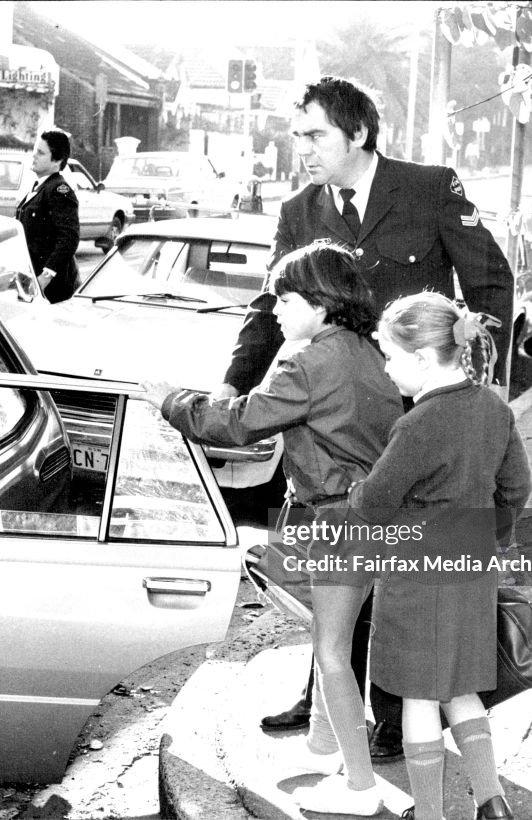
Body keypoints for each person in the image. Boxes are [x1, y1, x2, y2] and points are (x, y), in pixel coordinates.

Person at [217, 75, 515, 759]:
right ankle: (331, 691)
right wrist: (234, 392)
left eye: (315, 134)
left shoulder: (430, 187)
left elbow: (489, 282)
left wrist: (474, 387)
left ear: (358, 134)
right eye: (297, 134)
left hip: (419, 412)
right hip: (337, 419)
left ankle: (394, 704)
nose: (302, 148)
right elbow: (271, 309)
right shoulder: (299, 209)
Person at [143, 244, 403, 817]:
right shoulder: (369, 351)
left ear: (320, 301)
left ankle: (360, 788)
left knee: (333, 652)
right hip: (371, 518)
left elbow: (234, 424)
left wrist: (169, 400)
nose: (275, 311)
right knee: (333, 641)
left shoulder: (308, 364)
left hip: (336, 524)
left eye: (284, 299)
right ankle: (324, 748)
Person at [349, 292, 531, 820]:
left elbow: (376, 499)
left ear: (424, 359)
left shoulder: (418, 424)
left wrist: (359, 497)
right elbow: (516, 487)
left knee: (420, 699)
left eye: (389, 356)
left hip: (419, 575)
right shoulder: (494, 407)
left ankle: (430, 813)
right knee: (460, 688)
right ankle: (492, 802)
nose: (386, 369)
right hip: (472, 566)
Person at [16, 130, 80, 304]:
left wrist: (46, 276)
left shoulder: (59, 191)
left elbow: (69, 239)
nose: (34, 156)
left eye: (41, 153)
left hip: (52, 288)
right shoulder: (39, 187)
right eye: (35, 150)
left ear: (57, 161)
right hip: (32, 279)